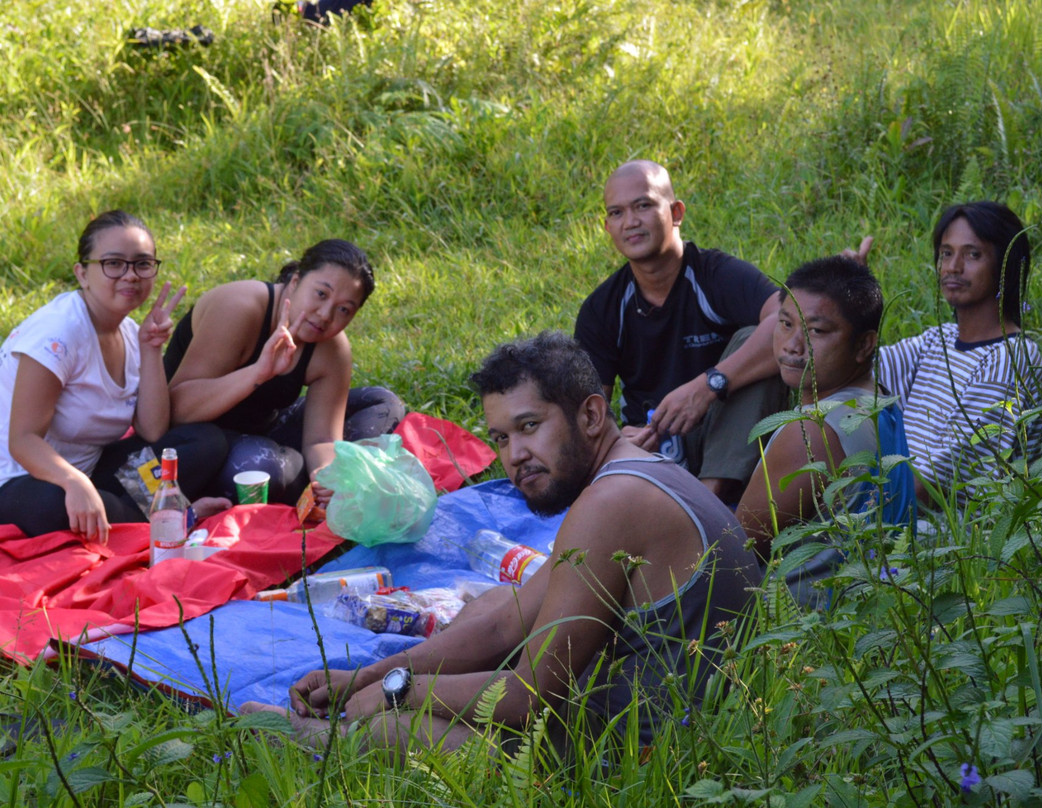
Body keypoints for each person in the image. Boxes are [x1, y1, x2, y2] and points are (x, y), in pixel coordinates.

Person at [243, 331, 761, 756]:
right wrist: (366, 676)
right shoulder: (629, 475)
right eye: (501, 438)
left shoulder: (612, 504)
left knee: (391, 731)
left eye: (530, 426)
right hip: (654, 707)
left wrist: (397, 692)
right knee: (494, 603)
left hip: (651, 756)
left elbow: (527, 697)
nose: (515, 456)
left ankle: (325, 745)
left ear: (590, 415)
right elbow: (504, 621)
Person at [0, 210, 229, 542]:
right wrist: (73, 483)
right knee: (54, 507)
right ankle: (171, 515)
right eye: (114, 263)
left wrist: (150, 349)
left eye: (142, 263)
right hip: (20, 480)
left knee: (205, 441)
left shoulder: (130, 332)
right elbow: (22, 441)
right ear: (82, 274)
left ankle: (137, 512)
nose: (130, 275)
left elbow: (151, 429)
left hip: (88, 474)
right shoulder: (57, 335)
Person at [574, 160, 787, 504]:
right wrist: (616, 441)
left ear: (676, 212)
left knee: (759, 340)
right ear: (607, 227)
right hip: (654, 450)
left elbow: (787, 322)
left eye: (643, 205)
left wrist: (709, 385)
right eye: (616, 213)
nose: (630, 222)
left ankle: (709, 506)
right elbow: (586, 414)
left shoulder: (714, 275)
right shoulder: (602, 309)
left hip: (726, 435)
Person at [163, 239, 405, 505]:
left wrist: (326, 474)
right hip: (198, 442)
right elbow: (178, 411)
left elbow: (322, 438)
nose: (325, 315)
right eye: (321, 294)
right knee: (262, 468)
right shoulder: (239, 308)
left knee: (383, 403)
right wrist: (257, 373)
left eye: (344, 309)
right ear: (295, 281)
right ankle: (291, 476)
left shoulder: (332, 350)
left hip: (263, 431)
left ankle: (323, 481)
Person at [736, 257, 915, 610]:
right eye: (785, 323)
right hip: (870, 613)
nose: (792, 344)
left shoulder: (813, 430)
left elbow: (733, 548)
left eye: (816, 331)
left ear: (865, 345)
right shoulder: (881, 403)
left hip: (797, 631)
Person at [847, 202, 1042, 508]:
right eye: (946, 253)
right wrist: (849, 301)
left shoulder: (1012, 356)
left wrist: (854, 515)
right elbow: (848, 374)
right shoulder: (938, 340)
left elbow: (934, 484)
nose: (953, 267)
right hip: (891, 504)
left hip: (943, 534)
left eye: (973, 254)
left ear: (1006, 265)